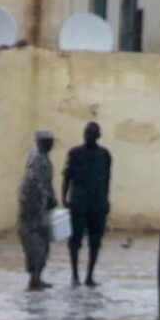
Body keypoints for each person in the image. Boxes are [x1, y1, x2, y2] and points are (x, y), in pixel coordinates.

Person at [62, 121, 113, 287]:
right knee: (75, 241)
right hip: (79, 203)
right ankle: (75, 275)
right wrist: (65, 198)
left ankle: (89, 275)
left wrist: (106, 200)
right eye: (87, 133)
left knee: (95, 241)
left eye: (92, 134)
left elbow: (106, 180)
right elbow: (67, 177)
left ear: (98, 136)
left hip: (97, 204)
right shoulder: (75, 153)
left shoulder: (105, 155)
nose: (89, 136)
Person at [17, 129, 58, 292]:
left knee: (42, 243)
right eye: (48, 142)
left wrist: (51, 197)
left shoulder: (43, 158)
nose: (51, 145)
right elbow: (36, 183)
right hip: (33, 209)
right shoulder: (37, 159)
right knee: (36, 244)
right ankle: (34, 278)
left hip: (39, 209)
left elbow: (46, 183)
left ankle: (37, 277)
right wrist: (47, 198)